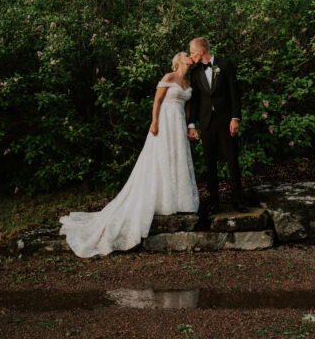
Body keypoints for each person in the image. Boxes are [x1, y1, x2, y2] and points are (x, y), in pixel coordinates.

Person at [59, 52, 199, 258]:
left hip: (178, 124)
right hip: (165, 122)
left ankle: (179, 200)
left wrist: (188, 126)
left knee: (178, 159)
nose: (189, 56)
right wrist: (154, 122)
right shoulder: (169, 77)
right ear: (179, 60)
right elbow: (157, 101)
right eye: (186, 54)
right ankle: (162, 200)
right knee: (161, 158)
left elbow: (188, 107)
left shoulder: (188, 82)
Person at [187, 37, 247, 217]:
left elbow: (234, 93)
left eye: (192, 52)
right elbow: (195, 101)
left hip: (226, 121)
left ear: (201, 51)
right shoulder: (195, 72)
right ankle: (214, 202)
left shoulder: (225, 64)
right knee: (210, 163)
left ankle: (238, 200)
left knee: (232, 160)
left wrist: (235, 118)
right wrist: (191, 124)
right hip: (206, 123)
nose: (191, 55)